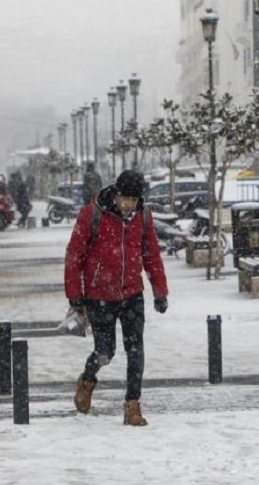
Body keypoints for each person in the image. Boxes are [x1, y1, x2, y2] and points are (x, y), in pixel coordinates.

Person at [64, 170, 169, 426]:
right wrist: (75, 298)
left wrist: (160, 291)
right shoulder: (93, 214)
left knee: (136, 351)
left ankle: (132, 405)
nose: (128, 205)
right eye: (125, 199)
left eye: (134, 200)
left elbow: (151, 254)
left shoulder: (143, 216)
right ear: (116, 193)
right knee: (105, 352)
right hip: (100, 295)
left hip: (132, 294)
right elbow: (74, 256)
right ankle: (87, 379)